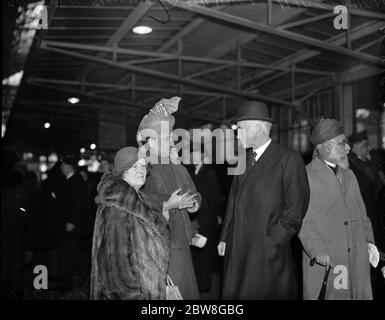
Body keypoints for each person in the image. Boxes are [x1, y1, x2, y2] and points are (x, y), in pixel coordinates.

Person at [218, 101, 310, 300]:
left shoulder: (288, 159)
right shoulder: (243, 160)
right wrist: (225, 236)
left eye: (241, 129)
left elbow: (296, 210)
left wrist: (272, 241)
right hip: (237, 249)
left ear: (259, 127)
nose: (237, 134)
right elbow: (232, 202)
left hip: (266, 254)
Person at [91, 147, 187, 299]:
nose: (141, 170)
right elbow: (116, 271)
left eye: (143, 166)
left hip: (150, 289)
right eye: (134, 166)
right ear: (123, 171)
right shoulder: (116, 208)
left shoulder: (140, 200)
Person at [299, 119, 376, 300]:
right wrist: (317, 250)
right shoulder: (305, 176)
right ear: (326, 146)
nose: (348, 148)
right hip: (329, 260)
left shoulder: (349, 175)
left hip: (357, 259)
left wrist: (371, 246)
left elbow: (363, 217)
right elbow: (302, 221)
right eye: (342, 143)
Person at [138, 96, 202, 300]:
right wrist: (167, 204)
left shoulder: (174, 163)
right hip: (159, 244)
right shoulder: (142, 166)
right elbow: (137, 201)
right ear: (151, 141)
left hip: (181, 239)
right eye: (167, 138)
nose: (172, 141)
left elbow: (194, 191)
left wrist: (193, 204)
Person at [186, 144, 226, 297]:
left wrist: (218, 215)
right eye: (191, 154)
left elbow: (217, 197)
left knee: (206, 252)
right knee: (196, 251)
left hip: (207, 218)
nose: (192, 156)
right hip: (195, 218)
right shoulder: (191, 171)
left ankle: (205, 286)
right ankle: (198, 284)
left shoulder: (209, 173)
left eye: (195, 153)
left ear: (203, 155)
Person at [57, 155, 88, 291]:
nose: (61, 167)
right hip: (69, 225)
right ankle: (82, 279)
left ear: (69, 166)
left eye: (63, 165)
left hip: (71, 226)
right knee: (72, 256)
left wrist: (72, 222)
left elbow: (79, 204)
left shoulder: (75, 181)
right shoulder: (70, 180)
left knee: (67, 256)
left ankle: (66, 286)